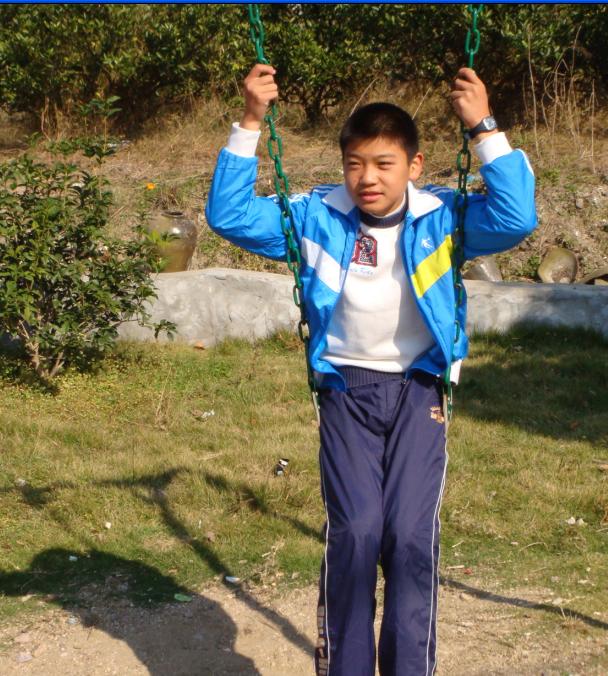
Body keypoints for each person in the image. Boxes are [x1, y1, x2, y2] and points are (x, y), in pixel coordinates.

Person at [205, 63, 536, 676]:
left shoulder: (443, 216)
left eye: (384, 164)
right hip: (346, 390)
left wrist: (483, 126)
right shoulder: (315, 216)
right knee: (356, 533)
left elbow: (516, 218)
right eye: (355, 164)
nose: (368, 178)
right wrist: (251, 119)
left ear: (414, 165)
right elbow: (230, 217)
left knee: (409, 536)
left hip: (419, 390)